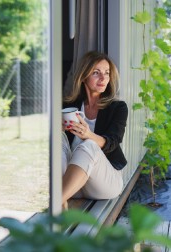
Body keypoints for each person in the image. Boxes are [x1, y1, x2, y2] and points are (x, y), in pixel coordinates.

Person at [62, 51, 128, 210]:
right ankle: (62, 195)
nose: (103, 78)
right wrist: (61, 129)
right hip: (73, 184)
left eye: (107, 73)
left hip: (104, 184)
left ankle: (57, 200)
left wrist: (88, 135)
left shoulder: (118, 108)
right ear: (84, 76)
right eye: (96, 73)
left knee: (90, 145)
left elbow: (112, 142)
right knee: (55, 137)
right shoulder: (68, 107)